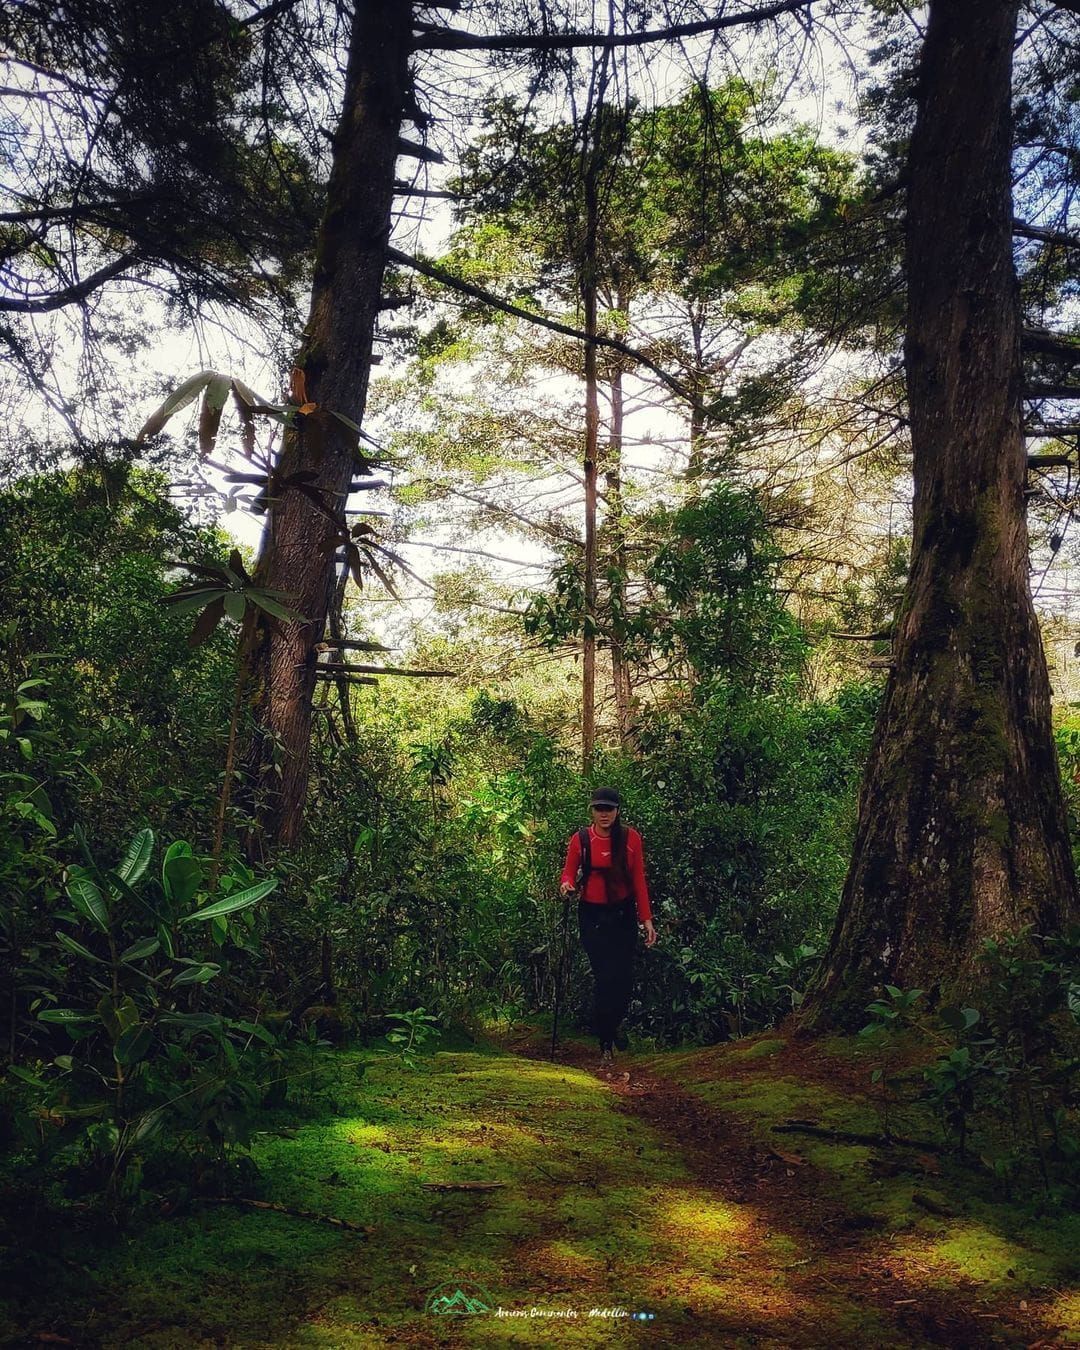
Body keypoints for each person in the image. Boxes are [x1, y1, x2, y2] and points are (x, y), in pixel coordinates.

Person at [560, 787, 656, 1065]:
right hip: (592, 916)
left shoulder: (631, 838)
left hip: (622, 913)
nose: (604, 814)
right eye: (599, 809)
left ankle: (614, 1026)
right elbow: (568, 872)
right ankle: (605, 1042)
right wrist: (566, 885)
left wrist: (646, 919)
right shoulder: (580, 839)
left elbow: (638, 880)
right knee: (604, 977)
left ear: (617, 811)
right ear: (592, 811)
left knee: (623, 978)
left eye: (609, 809)